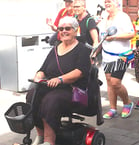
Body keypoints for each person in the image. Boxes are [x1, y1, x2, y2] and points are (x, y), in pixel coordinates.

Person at [27, 16, 91, 145]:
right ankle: (40, 135)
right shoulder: (55, 49)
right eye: (61, 29)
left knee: (51, 100)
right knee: (32, 95)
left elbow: (79, 72)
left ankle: (49, 141)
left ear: (75, 30)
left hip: (73, 90)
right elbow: (43, 69)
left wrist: (60, 79)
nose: (64, 31)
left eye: (68, 28)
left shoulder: (83, 50)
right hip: (51, 86)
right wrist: (38, 76)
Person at [96, 0, 135, 119]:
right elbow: (101, 39)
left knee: (115, 82)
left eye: (110, 1)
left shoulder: (123, 17)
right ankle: (113, 109)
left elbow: (131, 34)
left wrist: (114, 37)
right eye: (106, 1)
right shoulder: (103, 18)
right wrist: (95, 53)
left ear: (116, 3)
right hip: (107, 55)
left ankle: (127, 102)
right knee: (109, 82)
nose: (107, 3)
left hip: (121, 55)